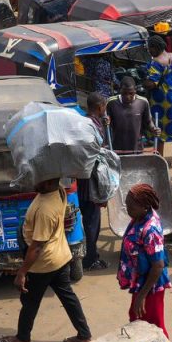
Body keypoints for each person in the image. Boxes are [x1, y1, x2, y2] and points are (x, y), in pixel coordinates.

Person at [0, 178, 93, 342]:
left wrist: (22, 272)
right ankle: (84, 334)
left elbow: (37, 247)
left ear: (48, 182)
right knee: (68, 297)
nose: (34, 181)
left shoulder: (45, 210)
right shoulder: (60, 191)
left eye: (38, 178)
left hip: (44, 263)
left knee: (30, 301)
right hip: (60, 256)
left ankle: (22, 338)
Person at [118, 184, 171, 336]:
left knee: (155, 326)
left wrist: (142, 295)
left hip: (151, 286)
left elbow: (158, 266)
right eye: (127, 205)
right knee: (136, 318)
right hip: (142, 281)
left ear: (144, 207)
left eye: (131, 207)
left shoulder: (150, 230)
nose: (127, 210)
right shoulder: (138, 218)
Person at [79, 93, 109, 271]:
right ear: (100, 107)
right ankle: (90, 258)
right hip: (92, 181)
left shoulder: (83, 123)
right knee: (92, 222)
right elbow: (99, 155)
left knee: (85, 219)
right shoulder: (95, 126)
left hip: (80, 180)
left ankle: (88, 254)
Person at [144, 35, 172, 155]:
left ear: (155, 47)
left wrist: (144, 82)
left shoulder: (156, 62)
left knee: (159, 131)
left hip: (162, 104)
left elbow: (152, 83)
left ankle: (160, 158)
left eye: (150, 48)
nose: (149, 51)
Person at [107, 77, 155, 153]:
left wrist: (153, 129)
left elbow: (148, 122)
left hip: (137, 148)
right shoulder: (111, 102)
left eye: (131, 93)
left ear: (135, 91)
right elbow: (106, 122)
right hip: (117, 149)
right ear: (120, 90)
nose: (127, 97)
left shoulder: (143, 102)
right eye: (124, 93)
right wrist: (105, 121)